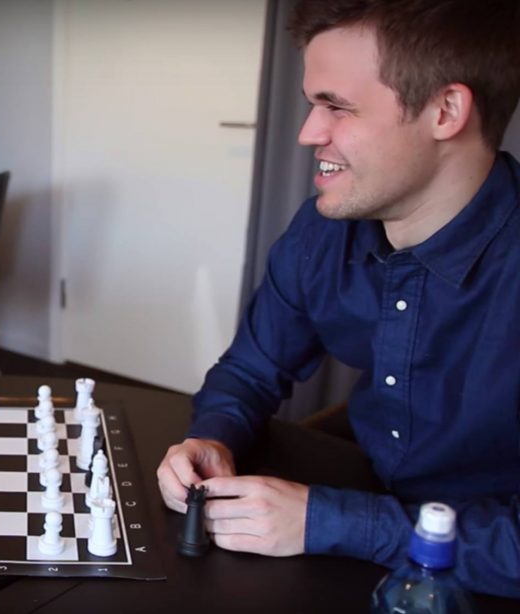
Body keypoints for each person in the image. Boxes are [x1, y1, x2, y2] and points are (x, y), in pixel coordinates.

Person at [156, 0, 520, 599]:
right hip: (361, 535)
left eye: (336, 106)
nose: (308, 132)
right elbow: (250, 368)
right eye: (311, 102)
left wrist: (335, 521)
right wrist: (212, 439)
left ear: (446, 110)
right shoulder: (325, 230)